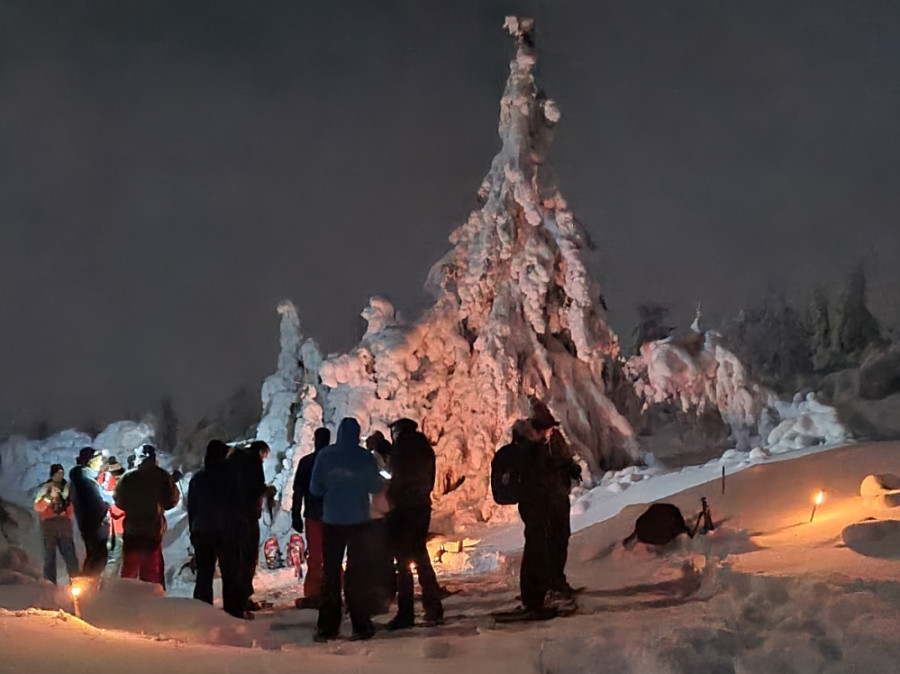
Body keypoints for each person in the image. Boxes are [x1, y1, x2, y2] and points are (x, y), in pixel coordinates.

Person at [309, 417, 384, 642]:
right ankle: (361, 624)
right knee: (357, 573)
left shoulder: (325, 456)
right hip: (359, 521)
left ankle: (328, 627)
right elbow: (376, 486)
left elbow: (315, 488)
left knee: (331, 573)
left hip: (332, 521)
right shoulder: (365, 458)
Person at [513, 399, 581, 617]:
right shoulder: (526, 445)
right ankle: (534, 595)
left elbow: (562, 459)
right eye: (545, 427)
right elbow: (534, 471)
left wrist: (569, 468)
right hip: (538, 501)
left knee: (559, 538)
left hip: (557, 498)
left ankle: (554, 581)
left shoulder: (553, 440)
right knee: (538, 546)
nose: (549, 431)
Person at [384, 418, 443, 630]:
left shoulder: (401, 451)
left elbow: (396, 477)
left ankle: (406, 612)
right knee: (420, 556)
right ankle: (433, 606)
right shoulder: (424, 448)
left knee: (402, 561)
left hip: (403, 508)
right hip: (422, 506)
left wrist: (391, 497)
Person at [187, 440, 244, 618]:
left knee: (204, 574)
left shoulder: (198, 479)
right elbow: (238, 506)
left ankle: (202, 614)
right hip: (226, 532)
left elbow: (192, 508)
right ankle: (233, 613)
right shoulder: (232, 477)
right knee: (230, 573)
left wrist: (193, 530)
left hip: (202, 531)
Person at [113, 445, 180, 588]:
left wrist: (133, 507)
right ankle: (151, 602)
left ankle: (125, 600)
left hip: (132, 529)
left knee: (129, 569)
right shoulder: (162, 476)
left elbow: (119, 501)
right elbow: (172, 500)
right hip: (153, 529)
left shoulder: (128, 477)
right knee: (151, 570)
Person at [227, 440, 271, 613]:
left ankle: (236, 599)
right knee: (247, 559)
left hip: (230, 518)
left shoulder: (233, 462)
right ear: (260, 452)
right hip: (247, 517)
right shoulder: (253, 462)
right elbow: (255, 487)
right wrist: (266, 491)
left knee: (235, 559)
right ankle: (243, 599)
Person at [291, 427, 330, 609]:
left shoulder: (307, 462)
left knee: (316, 555)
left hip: (314, 515)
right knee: (332, 554)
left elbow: (298, 491)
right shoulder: (332, 461)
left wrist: (296, 513)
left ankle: (315, 592)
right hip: (332, 514)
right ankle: (334, 589)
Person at [364, 431, 395, 614]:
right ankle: (388, 590)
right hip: (386, 509)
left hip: (377, 511)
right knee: (386, 555)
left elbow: (378, 482)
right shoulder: (388, 455)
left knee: (378, 555)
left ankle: (382, 591)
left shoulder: (375, 458)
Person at [33, 463, 80, 584]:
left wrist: (68, 519)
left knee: (69, 553)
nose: (60, 475)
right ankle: (50, 583)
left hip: (63, 523)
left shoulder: (66, 488)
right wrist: (49, 497)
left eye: (62, 473)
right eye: (58, 473)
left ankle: (76, 580)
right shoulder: (45, 488)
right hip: (49, 524)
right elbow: (38, 507)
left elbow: (70, 506)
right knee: (49, 555)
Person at [69, 448, 110, 576]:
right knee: (98, 555)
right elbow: (95, 503)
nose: (99, 463)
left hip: (88, 523)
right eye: (97, 460)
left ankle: (85, 585)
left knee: (93, 554)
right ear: (90, 461)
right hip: (93, 523)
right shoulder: (84, 479)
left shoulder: (83, 478)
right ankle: (88, 587)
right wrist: (106, 507)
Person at [99, 457, 127, 580]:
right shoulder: (107, 480)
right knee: (114, 557)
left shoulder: (109, 479)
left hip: (117, 525)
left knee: (117, 557)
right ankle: (106, 586)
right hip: (116, 526)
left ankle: (110, 585)